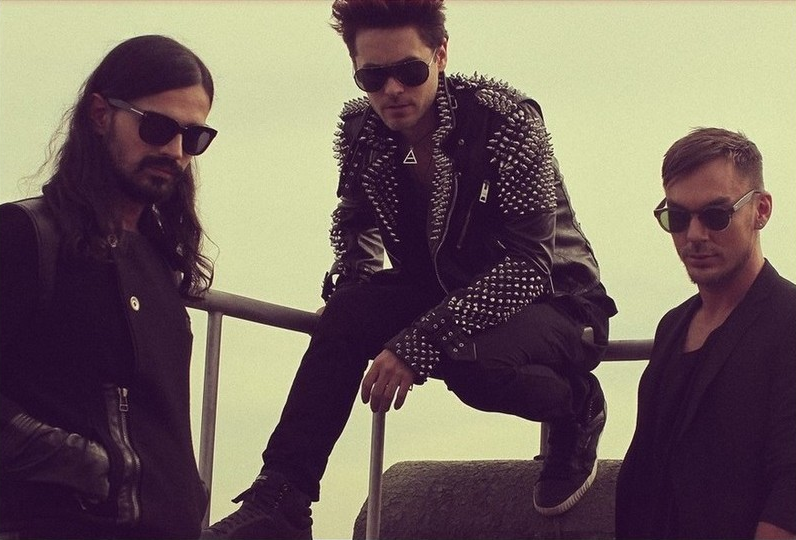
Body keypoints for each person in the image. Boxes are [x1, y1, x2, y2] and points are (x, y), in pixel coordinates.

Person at [204, 1, 617, 537]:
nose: (393, 89)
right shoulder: (363, 131)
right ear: (356, 71)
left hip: (557, 302)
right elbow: (355, 224)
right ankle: (283, 498)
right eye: (373, 77)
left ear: (440, 55)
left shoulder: (507, 121)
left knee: (471, 362)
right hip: (445, 290)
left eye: (409, 70)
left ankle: (578, 405)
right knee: (347, 312)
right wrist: (351, 307)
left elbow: (530, 265)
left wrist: (417, 342)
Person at [0, 35, 219, 539]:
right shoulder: (24, 236)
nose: (175, 151)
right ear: (100, 115)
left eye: (193, 137)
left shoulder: (161, 265)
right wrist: (81, 462)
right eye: (157, 127)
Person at [615, 128, 796, 539]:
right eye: (677, 218)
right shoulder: (672, 327)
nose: (694, 235)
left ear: (761, 210)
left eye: (716, 215)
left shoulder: (789, 322)